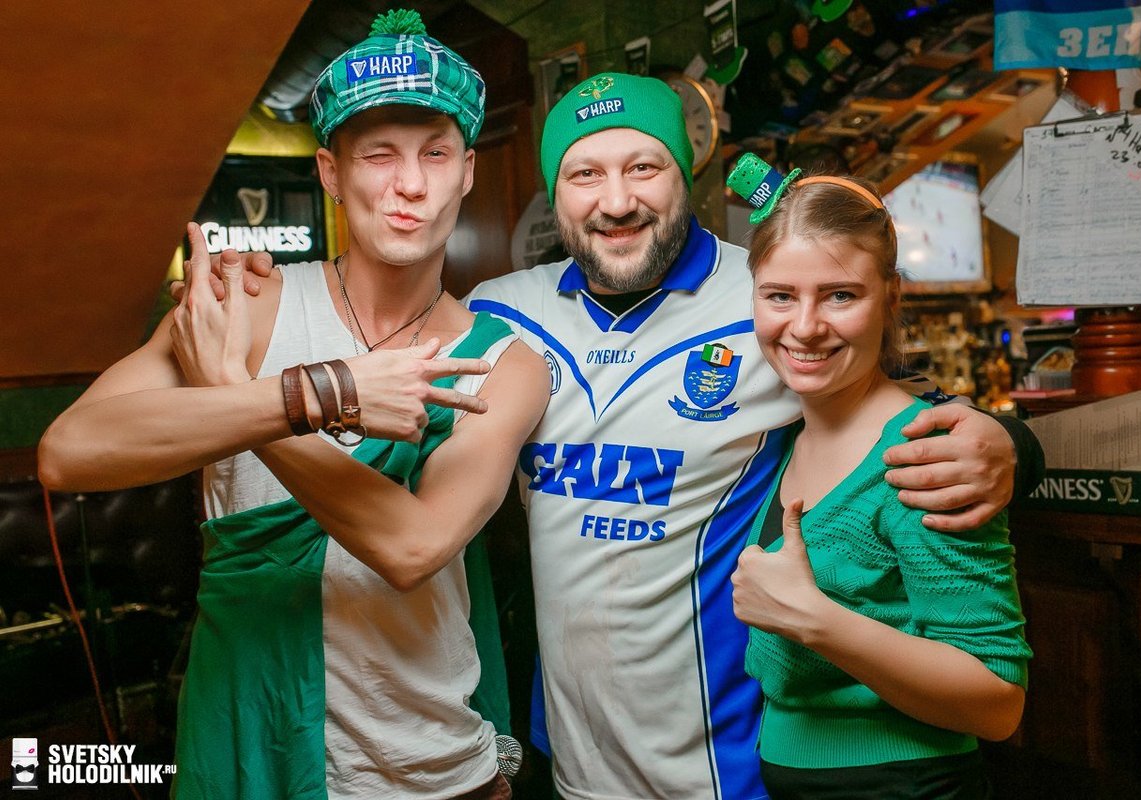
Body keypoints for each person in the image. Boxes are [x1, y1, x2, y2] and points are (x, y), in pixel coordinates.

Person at [231, 71, 1043, 799]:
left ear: (685, 177)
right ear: (556, 192)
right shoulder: (499, 313)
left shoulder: (764, 295)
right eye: (585, 173)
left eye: (644, 168)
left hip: (730, 761)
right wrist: (254, 301)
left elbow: (881, 394)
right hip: (570, 755)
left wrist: (1010, 444)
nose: (616, 202)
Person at [37, 8, 548, 799]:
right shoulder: (249, 303)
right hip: (249, 730)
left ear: (468, 171)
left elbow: (411, 548)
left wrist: (233, 392)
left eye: (435, 153)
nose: (411, 184)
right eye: (378, 155)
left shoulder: (504, 364)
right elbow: (68, 453)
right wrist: (319, 394)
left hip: (425, 764)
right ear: (331, 173)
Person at [726, 154, 1030, 798]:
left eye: (840, 295)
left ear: (890, 297)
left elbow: (997, 702)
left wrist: (815, 620)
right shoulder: (781, 435)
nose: (805, 328)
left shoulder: (925, 458)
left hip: (903, 783)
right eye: (780, 295)